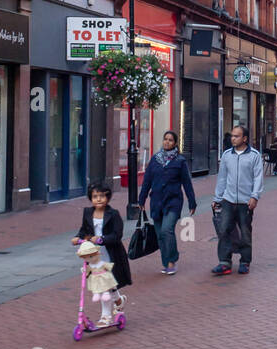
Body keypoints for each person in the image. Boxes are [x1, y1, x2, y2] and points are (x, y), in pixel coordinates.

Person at [137, 130, 197, 274]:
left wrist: (192, 202)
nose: (167, 142)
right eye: (165, 139)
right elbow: (147, 181)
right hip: (157, 202)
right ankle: (166, 263)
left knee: (166, 230)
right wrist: (142, 198)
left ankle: (172, 260)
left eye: (170, 140)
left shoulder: (180, 161)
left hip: (173, 201)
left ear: (175, 143)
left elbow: (186, 183)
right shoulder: (155, 159)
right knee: (160, 235)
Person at [211, 124, 263, 275]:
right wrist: (217, 198)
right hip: (228, 199)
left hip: (246, 201)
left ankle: (245, 261)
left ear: (245, 138)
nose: (233, 138)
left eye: (236, 136)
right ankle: (224, 262)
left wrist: (254, 196)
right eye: (232, 136)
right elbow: (222, 178)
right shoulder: (227, 155)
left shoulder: (254, 155)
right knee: (224, 229)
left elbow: (258, 178)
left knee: (245, 231)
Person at [72, 183, 131, 311]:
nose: (98, 199)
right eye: (95, 196)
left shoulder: (113, 214)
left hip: (110, 253)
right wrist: (78, 237)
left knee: (105, 285)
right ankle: (119, 301)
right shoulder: (88, 213)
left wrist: (101, 239)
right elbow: (84, 230)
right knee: (105, 284)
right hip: (95, 256)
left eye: (101, 196)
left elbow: (117, 235)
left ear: (107, 198)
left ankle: (106, 316)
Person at [76, 240, 120, 327]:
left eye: (91, 256)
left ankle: (107, 316)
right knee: (100, 293)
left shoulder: (101, 263)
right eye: (86, 257)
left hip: (105, 280)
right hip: (96, 282)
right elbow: (87, 272)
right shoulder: (90, 265)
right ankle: (115, 300)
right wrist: (85, 271)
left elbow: (109, 267)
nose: (89, 259)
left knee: (107, 295)